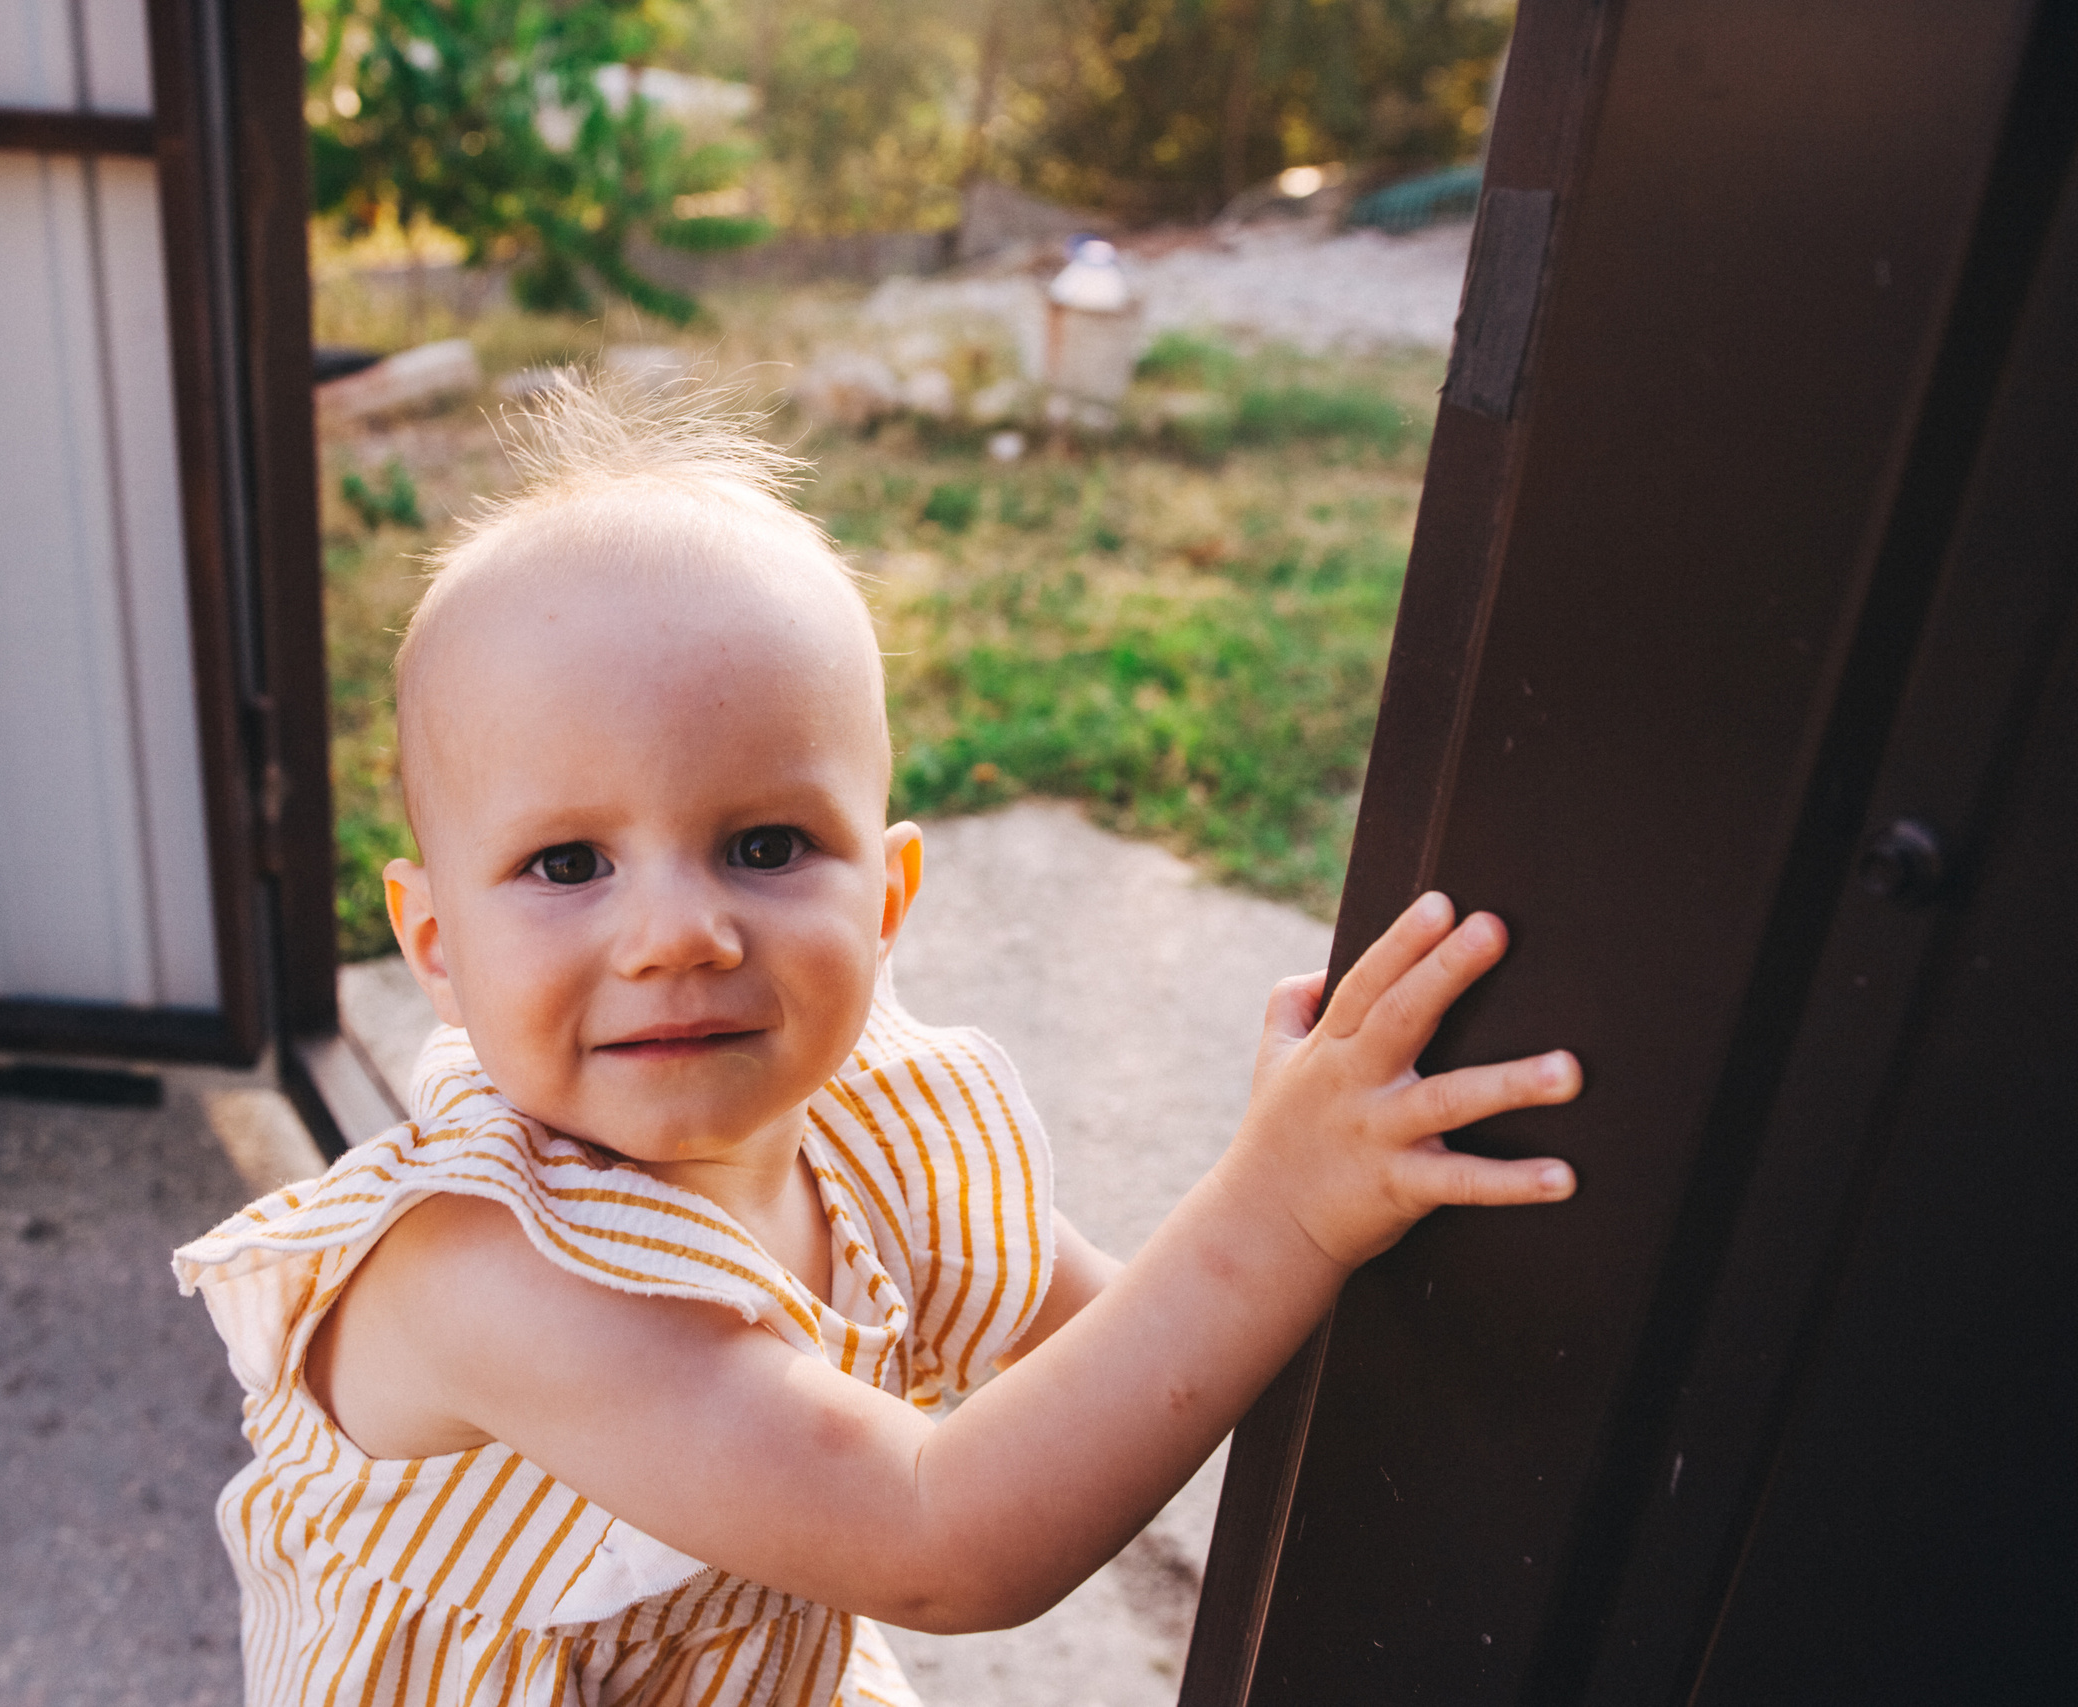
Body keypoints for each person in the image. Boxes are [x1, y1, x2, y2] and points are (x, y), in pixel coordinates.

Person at [174, 377, 1582, 1707]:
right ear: (435, 949)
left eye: (765, 843)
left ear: (889, 895)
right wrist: (1278, 1209)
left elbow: (1122, 1347)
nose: (680, 934)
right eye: (565, 864)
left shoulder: (873, 1126)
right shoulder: (483, 1273)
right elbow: (938, 1539)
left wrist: (1336, 1215)